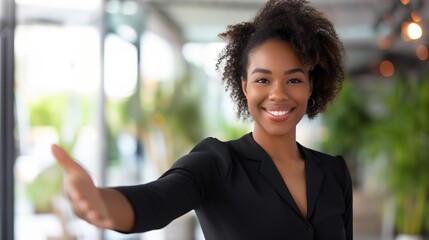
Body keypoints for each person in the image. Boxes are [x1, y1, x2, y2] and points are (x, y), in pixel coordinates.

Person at [51, 0, 352, 239]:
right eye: (263, 80)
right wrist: (101, 203)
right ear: (244, 85)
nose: (278, 94)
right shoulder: (217, 164)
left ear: (311, 86)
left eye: (294, 80)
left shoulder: (334, 172)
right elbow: (156, 200)